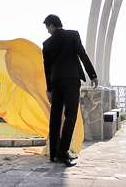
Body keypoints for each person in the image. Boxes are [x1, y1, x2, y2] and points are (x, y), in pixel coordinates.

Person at [42, 14, 98, 167]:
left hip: (56, 83)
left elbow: (46, 69)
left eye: (47, 28)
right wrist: (92, 75)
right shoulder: (73, 35)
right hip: (72, 80)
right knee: (71, 114)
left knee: (55, 116)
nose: (47, 31)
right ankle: (63, 153)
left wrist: (49, 88)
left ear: (51, 25)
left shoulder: (47, 44)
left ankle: (53, 154)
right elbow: (82, 55)